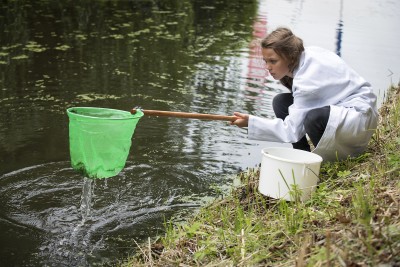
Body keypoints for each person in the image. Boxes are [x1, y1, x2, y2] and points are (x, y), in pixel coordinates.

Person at [232, 27, 378, 161]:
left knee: (313, 119)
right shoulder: (307, 53)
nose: (267, 67)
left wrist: (250, 123)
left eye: (273, 61)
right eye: (265, 61)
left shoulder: (306, 82)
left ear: (289, 56)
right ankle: (301, 156)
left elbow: (291, 131)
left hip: (359, 121)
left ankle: (329, 161)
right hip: (347, 108)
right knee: (281, 102)